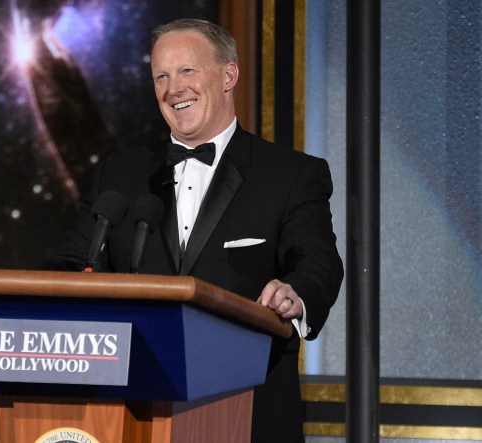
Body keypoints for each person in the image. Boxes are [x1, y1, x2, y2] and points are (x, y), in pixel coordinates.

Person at [43, 18, 344, 442]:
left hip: (246, 411)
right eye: (161, 76)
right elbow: (70, 263)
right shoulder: (121, 176)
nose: (173, 88)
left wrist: (296, 293)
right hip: (130, 414)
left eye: (187, 71)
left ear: (228, 75)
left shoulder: (291, 175)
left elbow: (317, 262)